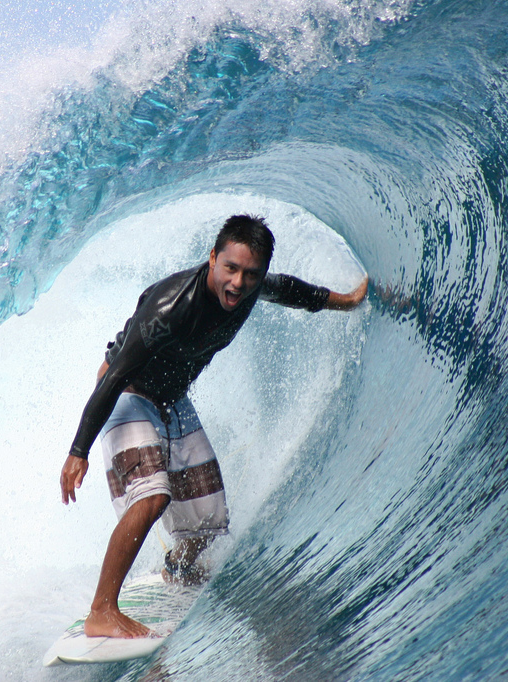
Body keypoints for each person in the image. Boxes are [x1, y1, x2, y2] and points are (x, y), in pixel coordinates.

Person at [59, 215, 369, 639]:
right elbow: (113, 377)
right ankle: (102, 610)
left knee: (208, 519)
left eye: (250, 274)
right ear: (212, 259)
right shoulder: (170, 308)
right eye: (230, 268)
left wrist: (347, 301)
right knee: (152, 498)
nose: (239, 283)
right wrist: (78, 452)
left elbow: (295, 292)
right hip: (128, 391)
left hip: (171, 399)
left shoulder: (253, 290)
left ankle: (177, 569)